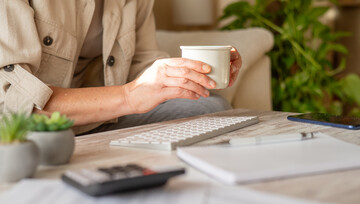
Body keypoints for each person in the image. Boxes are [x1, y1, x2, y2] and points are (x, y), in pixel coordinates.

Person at [0, 0, 242, 135]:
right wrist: (129, 96)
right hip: (30, 126)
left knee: (211, 107)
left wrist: (191, 74)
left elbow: (144, 64)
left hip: (102, 115)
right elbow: (11, 101)